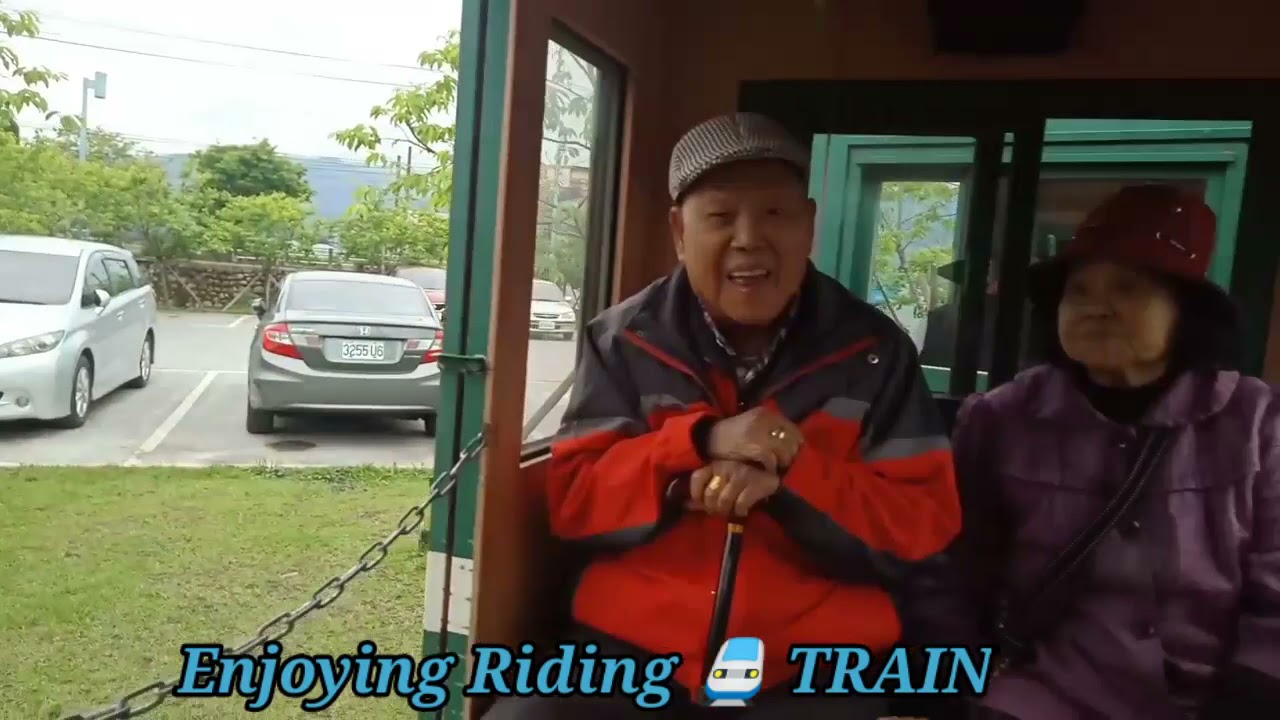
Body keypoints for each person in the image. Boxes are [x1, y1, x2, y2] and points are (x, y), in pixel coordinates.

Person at [482, 112, 963, 719]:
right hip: (631, 653)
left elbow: (922, 528)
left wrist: (790, 476)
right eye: (719, 217)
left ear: (809, 226)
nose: (748, 239)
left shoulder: (876, 352)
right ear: (680, 232)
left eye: (774, 214)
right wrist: (697, 449)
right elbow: (576, 499)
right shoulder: (622, 339)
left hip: (811, 668)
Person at [951, 184, 1280, 719]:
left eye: (1128, 288)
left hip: (1216, 699)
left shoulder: (1260, 422)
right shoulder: (999, 418)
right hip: (1040, 695)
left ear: (1186, 312)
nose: (1096, 308)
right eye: (1078, 291)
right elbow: (958, 577)